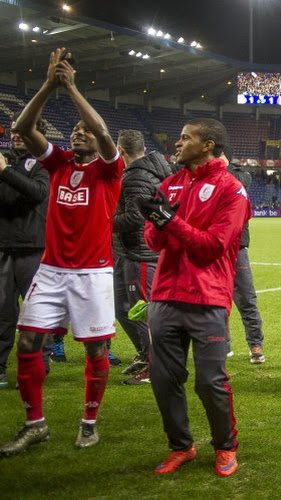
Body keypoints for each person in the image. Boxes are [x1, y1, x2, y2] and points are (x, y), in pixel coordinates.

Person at [0, 48, 124, 456]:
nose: (79, 133)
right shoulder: (59, 164)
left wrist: (71, 88)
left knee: (94, 349)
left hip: (93, 273)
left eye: (83, 130)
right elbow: (23, 126)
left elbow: (103, 131)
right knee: (28, 343)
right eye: (74, 130)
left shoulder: (107, 169)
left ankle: (89, 423)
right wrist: (48, 86)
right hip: (51, 269)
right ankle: (35, 424)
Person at [140, 118, 248, 477]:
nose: (177, 142)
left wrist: (169, 222)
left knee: (209, 381)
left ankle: (225, 447)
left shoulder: (232, 190)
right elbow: (152, 241)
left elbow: (213, 247)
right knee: (163, 378)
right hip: (165, 297)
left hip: (208, 297)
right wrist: (158, 222)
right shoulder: (169, 184)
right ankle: (181, 447)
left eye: (186, 137)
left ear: (208, 145)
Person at [112, 129, 173, 385]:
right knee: (123, 308)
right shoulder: (150, 171)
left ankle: (154, 366)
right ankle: (145, 354)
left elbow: (138, 216)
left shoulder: (137, 175)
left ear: (121, 150)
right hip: (133, 251)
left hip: (141, 252)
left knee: (142, 310)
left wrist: (104, 222)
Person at [0, 116, 50, 389]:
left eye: (23, 131)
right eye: (14, 132)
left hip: (33, 247)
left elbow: (38, 193)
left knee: (35, 312)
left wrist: (6, 173)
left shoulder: (43, 164)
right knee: (2, 311)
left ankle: (38, 366)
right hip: (4, 247)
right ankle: (0, 369)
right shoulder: (8, 161)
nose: (16, 135)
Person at [222, 147, 266, 363]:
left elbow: (243, 180)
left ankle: (256, 345)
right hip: (213, 249)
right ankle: (223, 344)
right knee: (216, 299)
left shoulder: (240, 175)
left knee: (247, 298)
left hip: (237, 247)